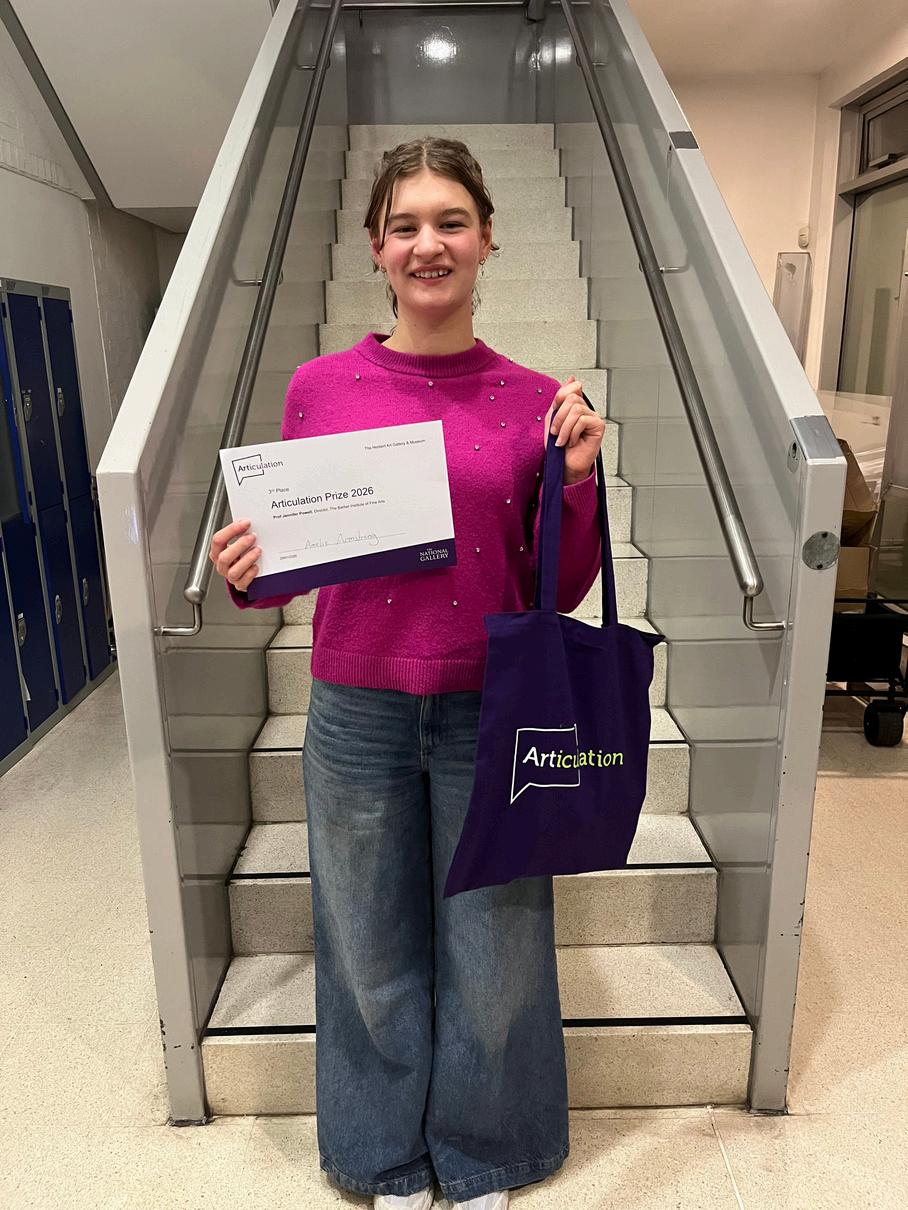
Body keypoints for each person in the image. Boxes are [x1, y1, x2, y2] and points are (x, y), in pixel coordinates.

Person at [210, 137, 605, 1209]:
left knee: (496, 944)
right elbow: (292, 556)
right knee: (363, 942)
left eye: (449, 222)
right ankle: (381, 1154)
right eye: (404, 225)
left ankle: (484, 1151)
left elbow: (561, 586)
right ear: (376, 247)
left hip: (491, 706)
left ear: (486, 238)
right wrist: (247, 570)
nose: (427, 244)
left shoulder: (535, 400)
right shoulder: (319, 388)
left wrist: (575, 480)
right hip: (358, 710)